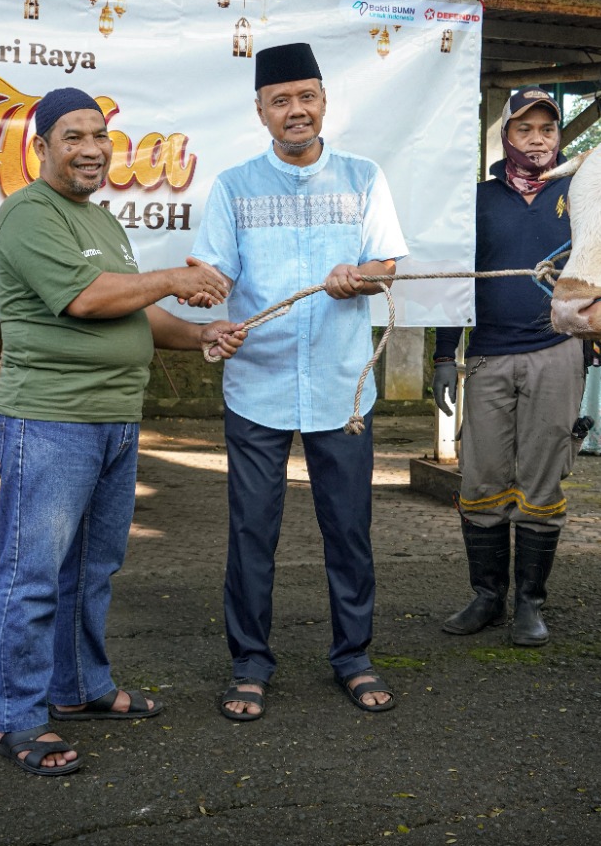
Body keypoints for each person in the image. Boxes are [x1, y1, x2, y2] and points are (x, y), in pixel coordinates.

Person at [0, 87, 246, 777]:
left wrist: (202, 333)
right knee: (32, 574)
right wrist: (174, 278)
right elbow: (87, 298)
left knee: (92, 567)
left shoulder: (103, 223)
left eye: (99, 135)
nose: (91, 148)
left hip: (113, 420)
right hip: (49, 421)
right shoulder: (27, 214)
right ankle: (16, 715)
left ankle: (77, 689)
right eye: (72, 136)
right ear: (42, 147)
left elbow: (132, 314)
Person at [190, 42, 409, 720]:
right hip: (258, 384)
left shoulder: (365, 177)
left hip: (343, 390)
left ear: (324, 101)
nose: (296, 110)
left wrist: (361, 276)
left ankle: (354, 657)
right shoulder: (232, 187)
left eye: (306, 96)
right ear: (260, 110)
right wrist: (205, 294)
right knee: (253, 531)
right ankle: (250, 662)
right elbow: (214, 272)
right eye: (280, 100)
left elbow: (385, 266)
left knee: (349, 529)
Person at [432, 86, 584, 646]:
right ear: (506, 135)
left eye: (547, 129)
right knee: (482, 476)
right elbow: (453, 277)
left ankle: (529, 603)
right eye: (525, 129)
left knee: (542, 479)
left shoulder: (580, 194)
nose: (537, 139)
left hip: (557, 354)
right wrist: (445, 355)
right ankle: (486, 597)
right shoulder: (477, 199)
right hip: (490, 356)